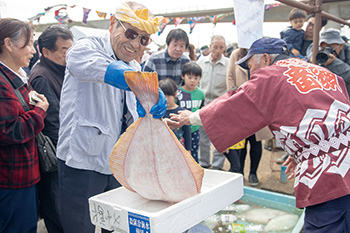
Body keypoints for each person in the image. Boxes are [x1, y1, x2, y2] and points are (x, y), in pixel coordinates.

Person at [170, 37, 350, 232]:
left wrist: (192, 117)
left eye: (250, 66)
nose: (250, 74)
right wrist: (301, 150)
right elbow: (328, 118)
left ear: (265, 59)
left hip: (329, 173)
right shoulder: (321, 71)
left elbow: (235, 102)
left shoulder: (273, 74)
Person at [56, 2, 166, 233]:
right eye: (131, 33)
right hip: (82, 159)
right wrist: (139, 82)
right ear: (113, 24)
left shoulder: (136, 64)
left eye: (143, 39)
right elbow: (94, 66)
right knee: (81, 227)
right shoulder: (87, 47)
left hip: (119, 162)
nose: (135, 43)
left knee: (115, 224)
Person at [0, 18, 49, 233]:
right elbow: (11, 131)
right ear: (9, 44)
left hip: (23, 171)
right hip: (13, 175)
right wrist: (40, 111)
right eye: (28, 43)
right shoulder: (2, 82)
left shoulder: (17, 75)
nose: (33, 50)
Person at [29, 25, 73, 233]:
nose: (69, 54)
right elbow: (54, 123)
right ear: (45, 52)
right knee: (59, 214)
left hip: (66, 152)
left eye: (70, 49)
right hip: (56, 156)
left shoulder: (63, 70)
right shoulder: (42, 77)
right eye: (64, 50)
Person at [226, 47, 273, 185]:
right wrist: (233, 95)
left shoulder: (261, 52)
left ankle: (253, 172)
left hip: (258, 105)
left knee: (256, 142)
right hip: (239, 102)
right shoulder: (236, 53)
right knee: (240, 142)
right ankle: (239, 171)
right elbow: (229, 76)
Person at [196, 35, 229, 170]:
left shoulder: (228, 64)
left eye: (221, 47)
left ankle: (217, 166)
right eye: (215, 47)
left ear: (224, 49)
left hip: (220, 106)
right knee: (202, 137)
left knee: (219, 137)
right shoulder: (201, 62)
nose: (218, 50)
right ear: (210, 47)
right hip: (203, 105)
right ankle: (203, 163)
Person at [176, 62, 205, 162]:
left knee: (193, 154)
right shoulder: (178, 92)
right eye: (190, 77)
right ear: (183, 76)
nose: (192, 81)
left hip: (194, 129)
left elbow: (202, 109)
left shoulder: (201, 93)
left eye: (196, 78)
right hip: (180, 131)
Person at [309, 28, 350, 97]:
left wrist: (334, 63)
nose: (327, 50)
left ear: (341, 46)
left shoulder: (348, 51)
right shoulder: (316, 50)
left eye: (331, 46)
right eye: (324, 47)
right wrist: (313, 60)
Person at [160, 78, 192, 154]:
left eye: (169, 95)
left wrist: (188, 150)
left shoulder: (182, 112)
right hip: (161, 149)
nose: (166, 99)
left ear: (175, 94)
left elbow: (187, 133)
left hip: (179, 150)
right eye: (163, 96)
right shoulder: (157, 112)